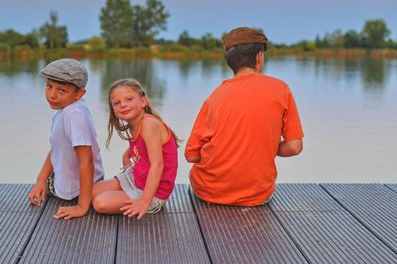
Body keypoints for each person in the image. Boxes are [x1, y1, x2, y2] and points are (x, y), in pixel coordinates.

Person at [185, 27, 304, 206]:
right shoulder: (281, 89)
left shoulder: (215, 96)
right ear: (259, 56)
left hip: (208, 192)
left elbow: (191, 155)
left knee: (194, 184)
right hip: (256, 196)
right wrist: (265, 145)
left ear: (230, 62)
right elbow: (294, 147)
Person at [28, 58, 104, 219]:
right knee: (38, 188)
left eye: (62, 90)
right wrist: (40, 180)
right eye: (49, 86)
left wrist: (82, 206)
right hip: (75, 179)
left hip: (77, 188)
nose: (52, 95)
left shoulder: (73, 115)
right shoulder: (66, 110)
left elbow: (86, 161)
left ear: (79, 93)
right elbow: (57, 148)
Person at [92, 78, 179, 219]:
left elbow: (158, 165)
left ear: (143, 102)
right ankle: (128, 190)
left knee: (100, 202)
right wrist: (128, 171)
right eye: (117, 103)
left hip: (153, 193)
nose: (123, 105)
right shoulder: (135, 124)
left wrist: (144, 202)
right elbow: (131, 154)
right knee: (89, 193)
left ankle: (142, 199)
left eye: (129, 99)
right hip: (136, 179)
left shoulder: (149, 124)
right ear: (113, 109)